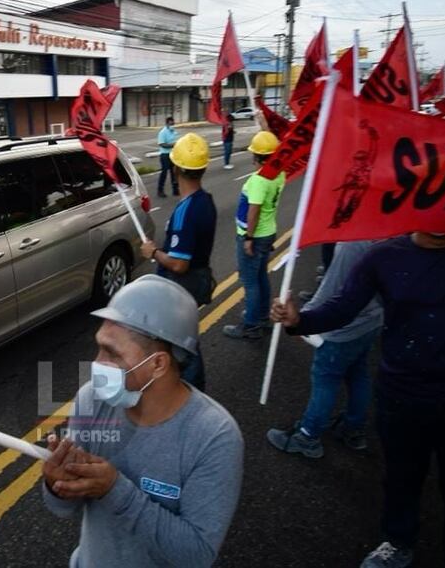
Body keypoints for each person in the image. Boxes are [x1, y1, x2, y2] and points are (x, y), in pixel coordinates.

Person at [270, 233, 445, 568]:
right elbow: (343, 306)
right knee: (401, 479)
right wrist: (299, 320)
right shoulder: (382, 257)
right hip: (401, 398)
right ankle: (398, 541)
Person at [41, 274, 244, 568]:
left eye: (111, 352)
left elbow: (197, 554)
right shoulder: (91, 400)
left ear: (158, 364)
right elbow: (63, 508)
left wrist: (114, 490)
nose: (97, 363)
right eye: (99, 346)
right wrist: (56, 484)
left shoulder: (214, 436)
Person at [266, 241, 383, 458]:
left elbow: (333, 288)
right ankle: (353, 427)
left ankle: (308, 436)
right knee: (358, 373)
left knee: (325, 379)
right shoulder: (386, 236)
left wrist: (305, 318)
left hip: (343, 329)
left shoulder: (353, 245)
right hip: (371, 322)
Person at [139, 133, 216, 391]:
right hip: (200, 277)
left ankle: (190, 393)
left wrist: (152, 252)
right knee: (187, 338)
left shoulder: (186, 211)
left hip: (184, 284)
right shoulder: (206, 201)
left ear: (175, 169)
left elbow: (179, 264)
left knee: (182, 344)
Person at [223, 130, 285, 340]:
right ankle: (261, 317)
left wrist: (248, 238)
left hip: (255, 236)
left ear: (257, 156)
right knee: (260, 277)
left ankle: (250, 325)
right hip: (268, 232)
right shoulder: (279, 174)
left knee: (250, 281)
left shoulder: (260, 179)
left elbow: (254, 210)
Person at [156, 116, 179, 198]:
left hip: (174, 154)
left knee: (175, 173)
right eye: (171, 123)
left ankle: (175, 190)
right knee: (164, 173)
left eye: (173, 123)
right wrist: (172, 145)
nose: (172, 125)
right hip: (165, 155)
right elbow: (161, 144)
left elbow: (177, 141)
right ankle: (160, 190)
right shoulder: (163, 132)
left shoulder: (174, 132)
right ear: (167, 123)